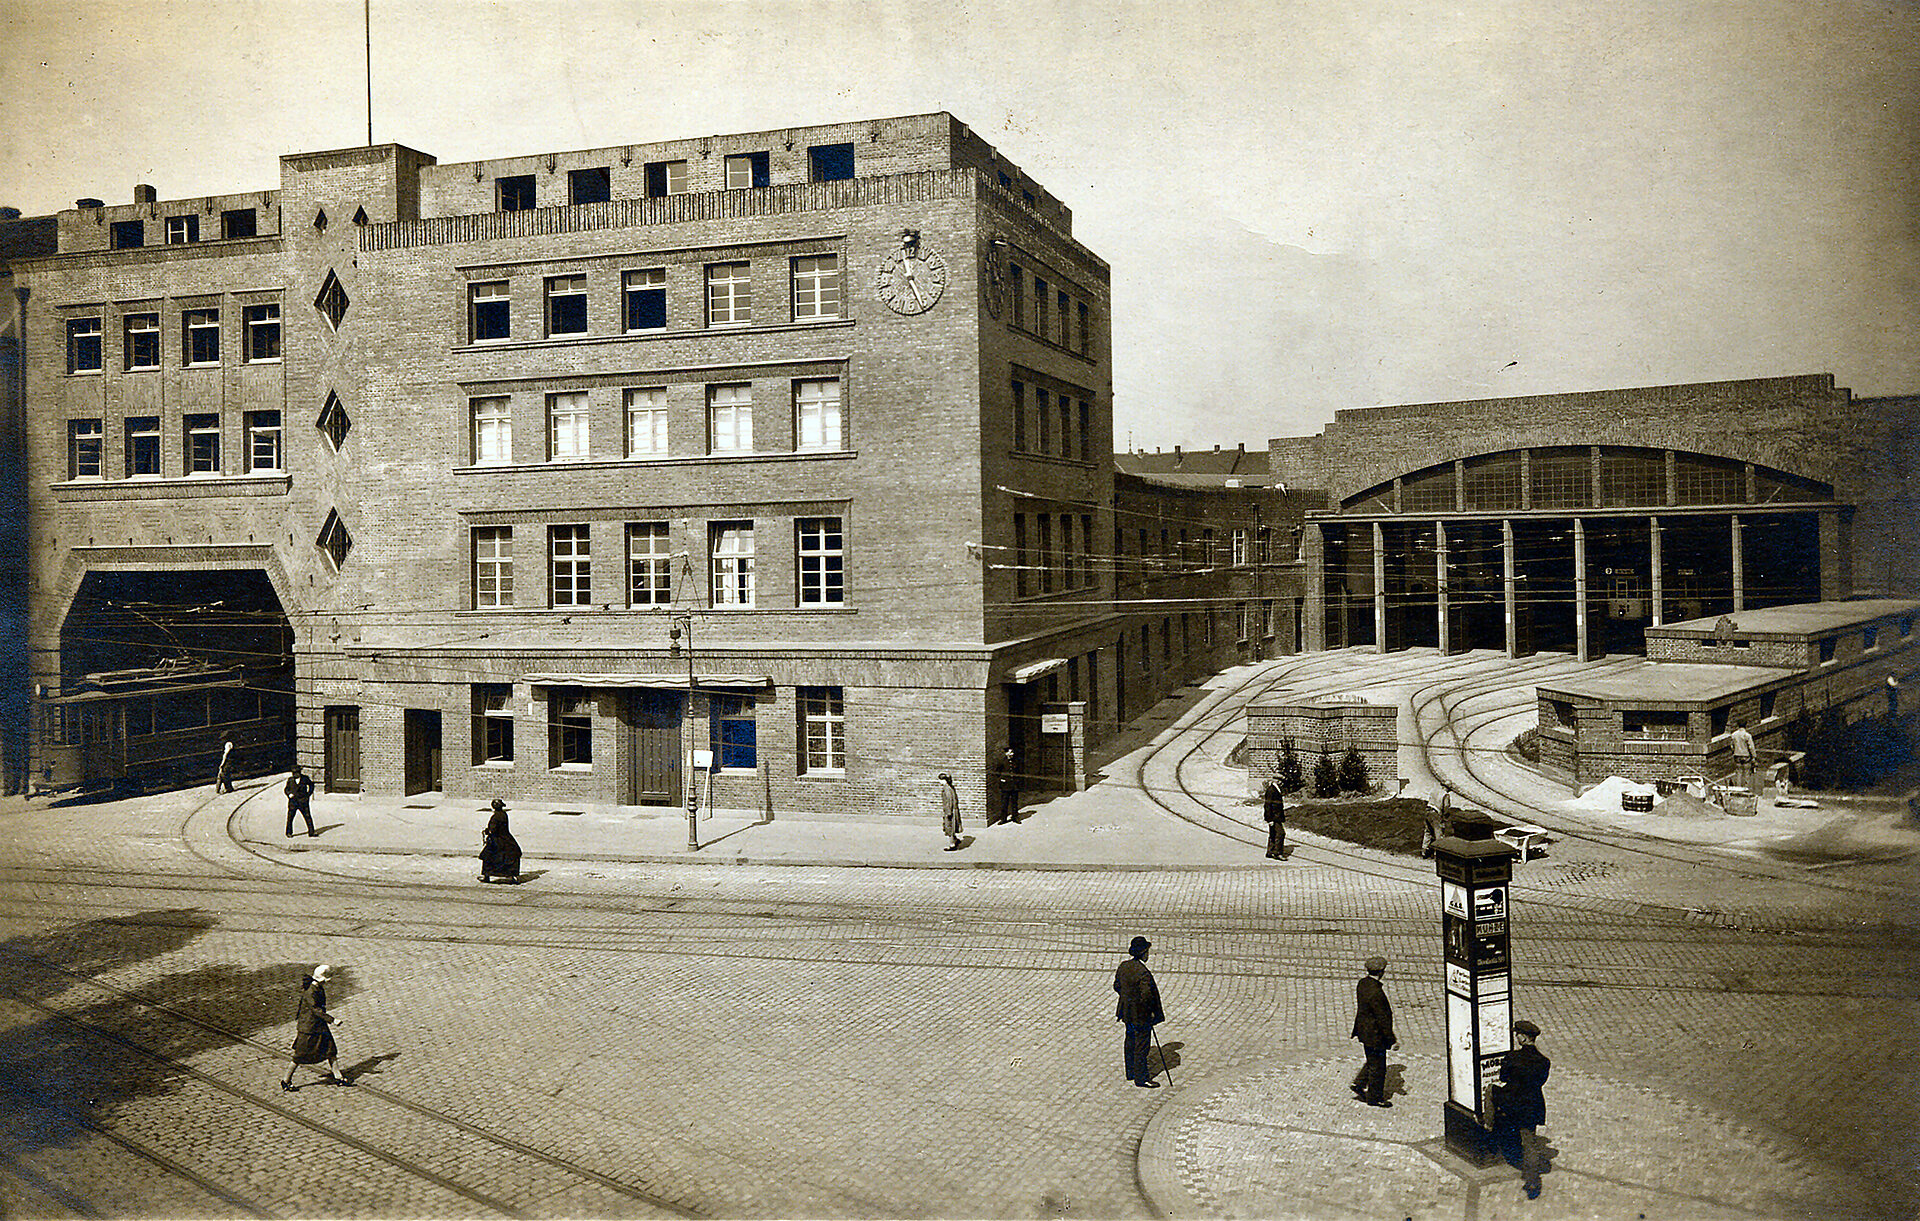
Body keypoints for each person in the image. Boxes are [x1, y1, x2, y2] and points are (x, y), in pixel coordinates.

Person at [1491, 1019, 1552, 1198]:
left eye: (1518, 1034)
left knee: (1490, 1091)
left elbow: (1503, 1078)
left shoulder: (1512, 1057)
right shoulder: (1544, 1062)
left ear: (1524, 1038)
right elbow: (1540, 1082)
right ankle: (1532, 1181)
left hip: (1511, 1103)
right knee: (1529, 1142)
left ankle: (1488, 1126)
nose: (1516, 1036)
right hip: (1531, 1106)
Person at [281, 964, 350, 1091]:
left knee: (330, 1050)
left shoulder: (317, 987)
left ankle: (338, 1077)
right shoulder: (311, 991)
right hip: (309, 1028)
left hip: (318, 1025)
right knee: (299, 1056)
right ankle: (286, 1080)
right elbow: (316, 1010)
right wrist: (332, 1020)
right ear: (322, 979)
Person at [1113, 935, 1164, 1088]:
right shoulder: (1143, 973)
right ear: (1143, 953)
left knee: (1130, 1041)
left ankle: (1130, 1072)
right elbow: (1147, 996)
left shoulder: (1124, 966)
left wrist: (1128, 997)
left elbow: (1117, 986)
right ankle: (1141, 1078)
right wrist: (1150, 1013)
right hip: (1141, 1015)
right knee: (1142, 1046)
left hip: (1126, 1012)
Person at [1349, 955, 1397, 1107]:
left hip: (1364, 1031)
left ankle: (1359, 1083)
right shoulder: (1376, 993)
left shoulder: (1363, 983)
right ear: (1382, 972)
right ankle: (1375, 1098)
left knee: (1372, 1059)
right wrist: (1392, 1040)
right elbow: (1382, 1019)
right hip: (1375, 1035)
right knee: (1378, 1067)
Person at [479, 798, 521, 883]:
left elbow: (493, 830)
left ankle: (486, 876)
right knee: (511, 855)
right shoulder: (504, 814)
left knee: (487, 856)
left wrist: (487, 831)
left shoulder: (495, 817)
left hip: (496, 840)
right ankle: (513, 875)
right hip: (506, 838)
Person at [284, 764, 316, 837]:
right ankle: (289, 832)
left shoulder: (305, 779)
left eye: (296, 773)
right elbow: (286, 789)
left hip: (303, 801)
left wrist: (308, 795)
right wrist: (289, 794)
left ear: (299, 772)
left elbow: (311, 785)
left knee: (307, 817)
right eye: (293, 773)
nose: (295, 774)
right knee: (290, 818)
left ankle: (311, 832)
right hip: (293, 802)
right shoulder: (290, 780)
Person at [1262, 775, 1287, 859]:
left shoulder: (1276, 789)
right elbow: (1267, 805)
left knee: (1273, 833)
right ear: (1275, 780)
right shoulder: (1271, 790)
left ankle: (1270, 851)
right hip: (1274, 817)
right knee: (1280, 833)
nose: (1281, 782)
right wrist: (1269, 819)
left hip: (1277, 816)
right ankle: (1277, 853)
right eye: (1279, 780)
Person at [937, 772, 963, 850]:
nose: (939, 782)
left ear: (943, 780)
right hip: (952, 810)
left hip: (950, 811)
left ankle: (952, 845)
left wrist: (948, 812)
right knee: (952, 826)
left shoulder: (947, 789)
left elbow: (949, 801)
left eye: (940, 780)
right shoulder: (950, 787)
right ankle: (955, 840)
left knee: (949, 827)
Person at [995, 747, 1020, 825]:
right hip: (1005, 786)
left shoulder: (1015, 761)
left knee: (1014, 802)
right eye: (1010, 752)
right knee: (1004, 803)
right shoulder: (1002, 762)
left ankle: (1015, 817)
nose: (1012, 754)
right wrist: (1002, 779)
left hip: (1014, 785)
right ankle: (1003, 819)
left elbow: (1018, 771)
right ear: (1006, 753)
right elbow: (997, 772)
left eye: (1012, 752)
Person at [1730, 721, 1757, 791]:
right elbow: (1751, 747)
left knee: (1738, 772)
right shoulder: (1747, 735)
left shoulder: (1734, 735)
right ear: (1745, 726)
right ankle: (1746, 788)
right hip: (1746, 755)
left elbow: (1732, 746)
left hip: (1737, 755)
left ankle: (1738, 789)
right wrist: (1754, 756)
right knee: (1747, 772)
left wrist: (1734, 752)